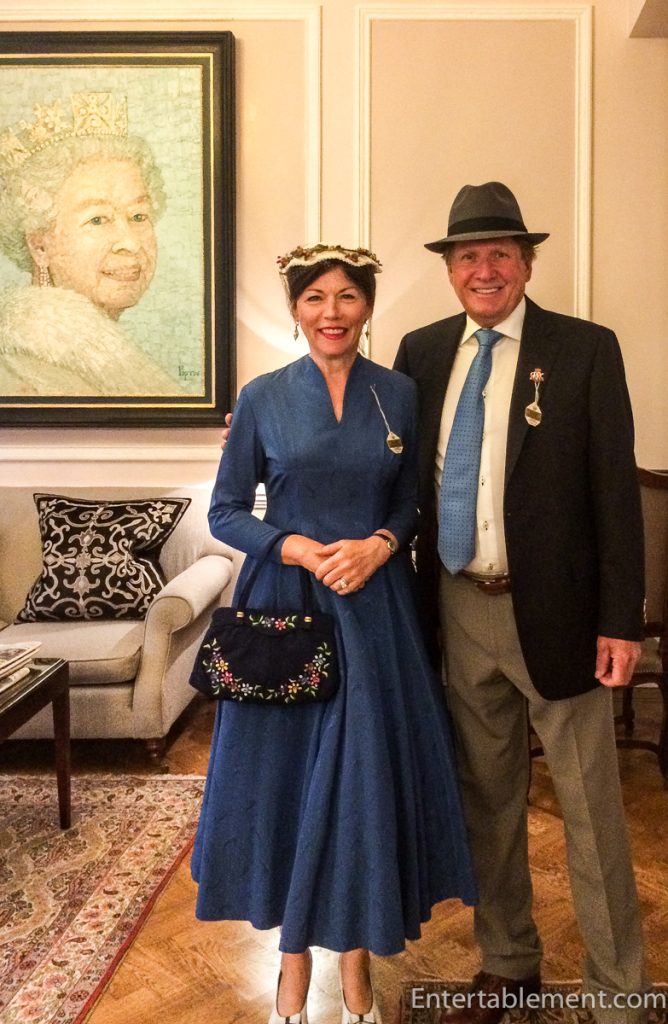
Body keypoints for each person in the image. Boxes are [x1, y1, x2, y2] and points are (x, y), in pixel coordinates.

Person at [191, 242, 477, 1024]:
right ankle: (290, 962)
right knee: (287, 783)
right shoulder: (262, 396)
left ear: (368, 307)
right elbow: (225, 511)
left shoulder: (400, 394)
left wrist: (381, 544)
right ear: (295, 309)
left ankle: (355, 960)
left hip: (376, 611)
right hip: (287, 609)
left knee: (363, 784)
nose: (332, 312)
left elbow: (411, 502)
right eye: (315, 297)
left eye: (347, 297)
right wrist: (295, 547)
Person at [393, 181, 648, 1024]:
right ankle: (508, 961)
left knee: (592, 813)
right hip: (458, 607)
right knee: (487, 802)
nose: (485, 269)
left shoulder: (584, 349)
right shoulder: (422, 352)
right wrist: (271, 446)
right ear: (450, 269)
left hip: (563, 616)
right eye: (469, 255)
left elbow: (614, 493)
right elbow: (385, 464)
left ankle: (618, 990)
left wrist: (620, 620)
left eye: (501, 253)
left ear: (527, 263)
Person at [0, 90, 182, 396]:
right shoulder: (24, 377)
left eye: (138, 216)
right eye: (98, 220)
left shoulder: (111, 363)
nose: (130, 243)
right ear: (40, 246)